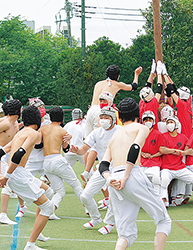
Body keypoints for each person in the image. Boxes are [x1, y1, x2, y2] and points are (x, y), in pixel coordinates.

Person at [99, 97, 171, 250]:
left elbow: (103, 164)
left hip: (114, 179)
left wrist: (109, 178)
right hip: (131, 174)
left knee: (126, 234)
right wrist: (125, 176)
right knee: (163, 220)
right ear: (137, 114)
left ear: (120, 116)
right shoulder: (141, 127)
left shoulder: (115, 135)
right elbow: (135, 148)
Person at [0, 105, 54, 250]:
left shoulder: (20, 133)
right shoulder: (34, 133)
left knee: (49, 191)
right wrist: (6, 176)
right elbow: (18, 154)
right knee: (47, 208)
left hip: (19, 172)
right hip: (18, 174)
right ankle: (31, 244)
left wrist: (0, 174)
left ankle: (37, 232)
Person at [70, 106, 120, 234]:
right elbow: (83, 149)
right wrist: (77, 150)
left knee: (114, 197)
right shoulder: (96, 133)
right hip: (102, 168)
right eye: (101, 118)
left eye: (106, 118)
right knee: (85, 196)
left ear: (113, 119)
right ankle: (95, 218)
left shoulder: (120, 131)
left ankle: (110, 223)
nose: (103, 120)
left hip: (118, 169)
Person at [40, 107, 83, 218]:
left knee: (59, 191)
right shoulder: (62, 131)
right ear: (62, 117)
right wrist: (69, 139)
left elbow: (38, 144)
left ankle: (50, 212)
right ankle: (90, 210)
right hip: (57, 159)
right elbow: (65, 149)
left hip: (46, 162)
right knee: (76, 185)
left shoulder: (43, 129)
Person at [85, 65, 141, 136]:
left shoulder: (98, 83)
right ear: (117, 76)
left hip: (91, 110)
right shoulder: (117, 84)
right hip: (102, 111)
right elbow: (134, 87)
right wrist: (136, 74)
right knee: (99, 136)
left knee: (88, 137)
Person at [140, 111, 163, 194]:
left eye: (150, 120)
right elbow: (135, 147)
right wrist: (142, 154)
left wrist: (152, 156)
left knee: (156, 178)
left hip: (155, 160)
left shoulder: (158, 134)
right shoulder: (140, 133)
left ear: (153, 121)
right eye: (146, 120)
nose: (148, 122)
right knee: (139, 179)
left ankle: (157, 198)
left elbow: (162, 150)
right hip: (142, 160)